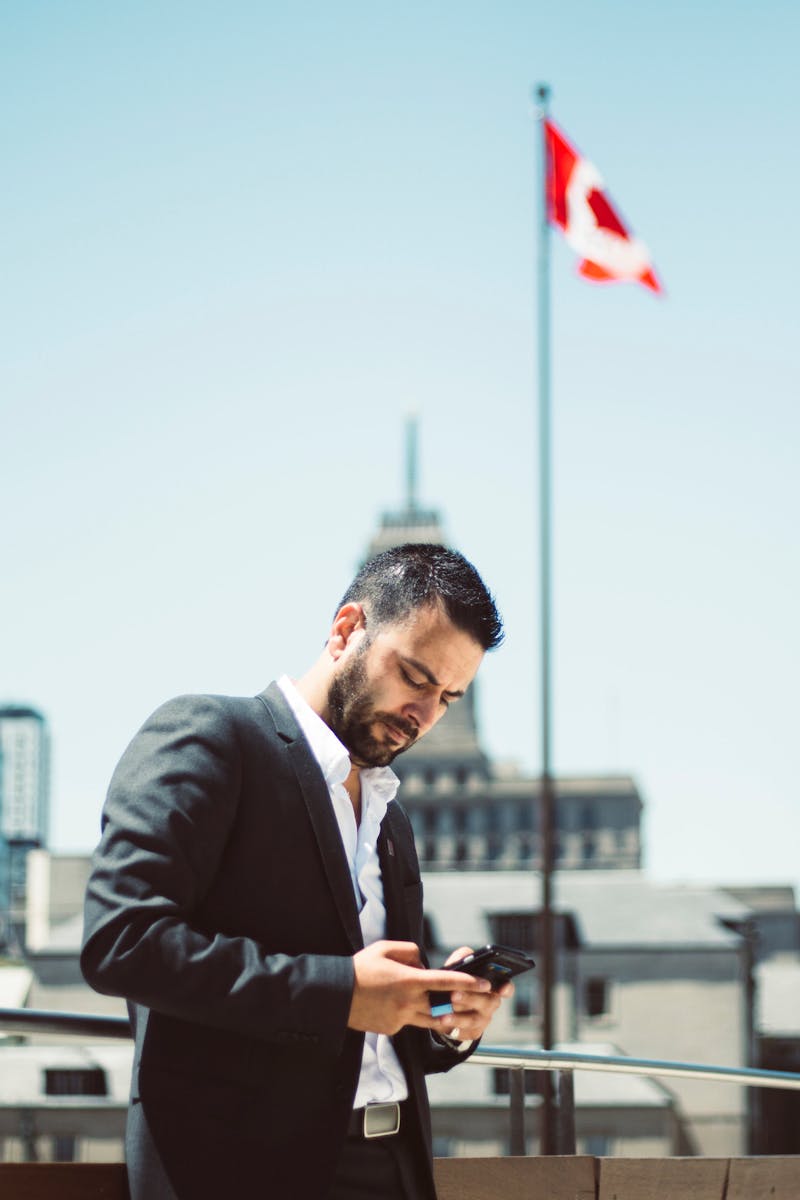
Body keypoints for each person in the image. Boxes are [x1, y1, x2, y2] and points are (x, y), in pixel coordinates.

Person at [81, 543, 509, 1199]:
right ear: (346, 631)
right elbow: (122, 942)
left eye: (449, 697)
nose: (425, 715)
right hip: (241, 1175)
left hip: (393, 1168)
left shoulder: (390, 819)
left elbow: (363, 1031)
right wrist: (342, 993)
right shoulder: (210, 738)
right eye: (417, 678)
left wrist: (444, 1015)